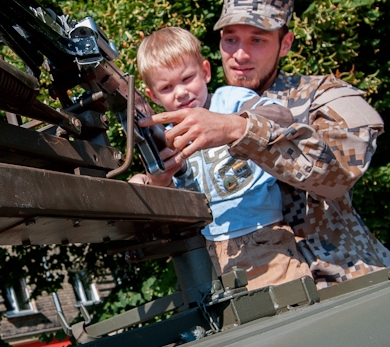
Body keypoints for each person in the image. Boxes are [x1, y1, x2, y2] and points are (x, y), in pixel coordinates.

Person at [150, 0, 390, 286]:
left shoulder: (325, 96)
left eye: (257, 40)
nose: (240, 54)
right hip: (252, 288)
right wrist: (156, 182)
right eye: (230, 39)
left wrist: (238, 128)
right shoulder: (198, 110)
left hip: (346, 280)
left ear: (285, 43)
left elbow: (337, 174)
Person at [131, 27, 312, 288]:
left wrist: (227, 125)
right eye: (167, 87)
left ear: (205, 71)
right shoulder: (166, 139)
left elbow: (281, 118)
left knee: (293, 304)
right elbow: (174, 200)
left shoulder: (230, 101)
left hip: (264, 237)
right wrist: (155, 182)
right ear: (153, 96)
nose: (181, 92)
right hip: (211, 250)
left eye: (187, 78)